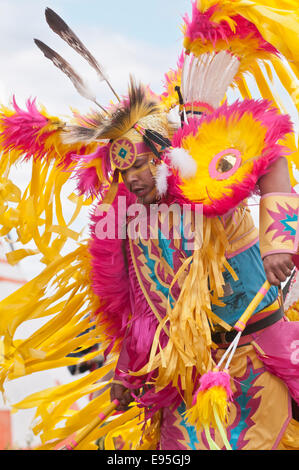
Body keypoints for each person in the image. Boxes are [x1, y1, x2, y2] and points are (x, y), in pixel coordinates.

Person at [0, 0, 299, 451]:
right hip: (190, 381)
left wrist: (280, 241)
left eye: (140, 165)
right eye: (123, 172)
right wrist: (125, 371)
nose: (132, 179)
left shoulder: (203, 178)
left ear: (163, 157)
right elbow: (139, 308)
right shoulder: (132, 227)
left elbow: (269, 149)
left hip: (260, 360)